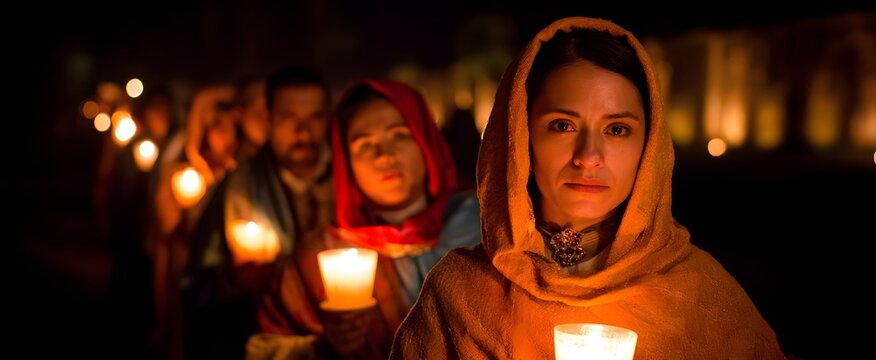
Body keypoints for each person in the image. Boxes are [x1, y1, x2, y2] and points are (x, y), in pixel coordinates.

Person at [390, 17, 786, 359]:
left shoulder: (699, 297)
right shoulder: (461, 293)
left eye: (617, 130)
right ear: (520, 137)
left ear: (649, 148)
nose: (589, 156)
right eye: (563, 125)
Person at [246, 79, 482, 359]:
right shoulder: (318, 257)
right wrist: (326, 347)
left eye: (399, 135)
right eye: (365, 145)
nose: (385, 156)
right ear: (346, 163)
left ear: (426, 141)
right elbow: (263, 348)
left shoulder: (485, 228)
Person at [179, 66, 335, 360]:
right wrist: (235, 281)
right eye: (289, 118)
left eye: (314, 118)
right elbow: (197, 283)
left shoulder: (353, 177)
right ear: (269, 120)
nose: (303, 131)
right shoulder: (239, 185)